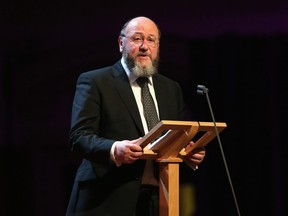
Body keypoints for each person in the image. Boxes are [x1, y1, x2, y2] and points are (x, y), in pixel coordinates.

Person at [66, 16, 206, 216]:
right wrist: (115, 149)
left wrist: (189, 152)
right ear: (121, 43)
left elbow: (176, 139)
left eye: (151, 40)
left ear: (157, 46)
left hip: (158, 200)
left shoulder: (170, 88)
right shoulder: (95, 81)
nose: (144, 46)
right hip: (106, 199)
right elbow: (79, 137)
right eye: (137, 38)